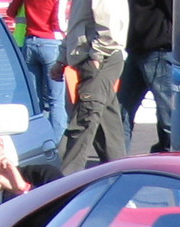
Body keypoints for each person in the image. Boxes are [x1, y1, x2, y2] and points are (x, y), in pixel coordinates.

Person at [54, 0, 128, 171]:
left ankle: (64, 182)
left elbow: (108, 17)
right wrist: (62, 58)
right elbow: (76, 23)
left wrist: (98, 54)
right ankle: (120, 174)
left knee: (84, 120)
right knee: (106, 125)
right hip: (90, 56)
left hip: (98, 57)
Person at [10, 0, 71, 139]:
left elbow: (11, 11)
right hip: (51, 44)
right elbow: (59, 24)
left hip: (30, 43)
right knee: (56, 101)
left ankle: (37, 140)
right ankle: (57, 144)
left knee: (34, 100)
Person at [120, 0, 172, 152]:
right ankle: (118, 160)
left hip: (158, 49)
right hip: (138, 48)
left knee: (167, 115)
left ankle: (170, 158)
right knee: (120, 112)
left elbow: (175, 12)